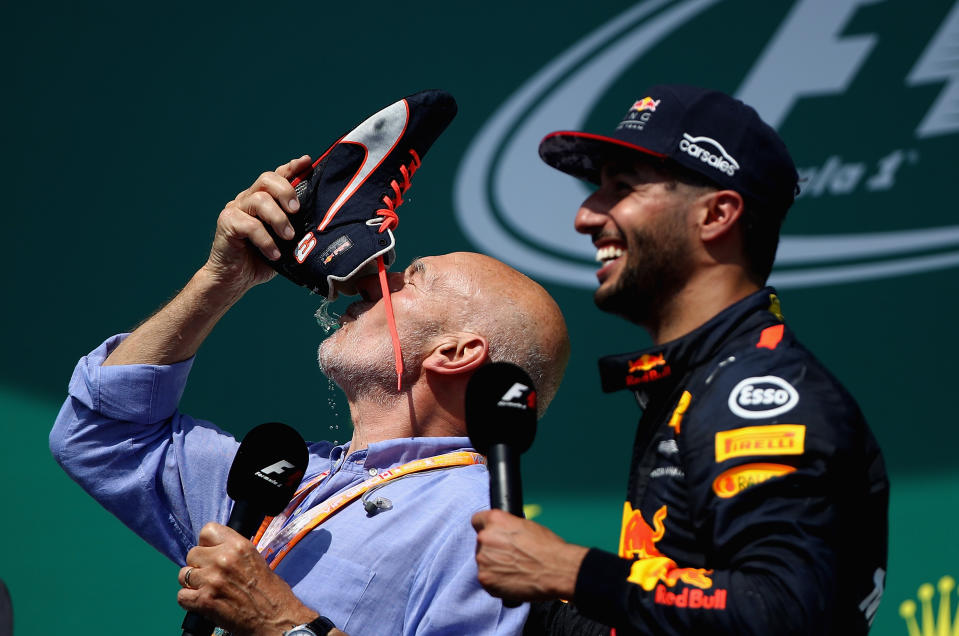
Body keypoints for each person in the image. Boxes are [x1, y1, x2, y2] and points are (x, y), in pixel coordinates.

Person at [50, 154, 570, 636]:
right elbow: (99, 434)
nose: (374, 279)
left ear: (454, 353)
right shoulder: (281, 476)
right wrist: (220, 280)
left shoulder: (479, 528)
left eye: (412, 278)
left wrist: (284, 624)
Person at [472, 84, 889, 634]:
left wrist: (569, 570)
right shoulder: (703, 382)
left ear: (716, 214)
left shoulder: (757, 391)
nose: (585, 217)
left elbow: (784, 611)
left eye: (621, 188)